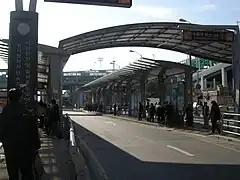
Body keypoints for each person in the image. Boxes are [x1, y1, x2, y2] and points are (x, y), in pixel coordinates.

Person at [0, 88, 41, 180]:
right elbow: (34, 133)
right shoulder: (28, 114)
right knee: (27, 174)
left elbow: (1, 132)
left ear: (9, 99)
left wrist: (5, 142)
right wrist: (36, 145)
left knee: (12, 174)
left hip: (10, 150)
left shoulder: (4, 115)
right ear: (20, 98)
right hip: (25, 150)